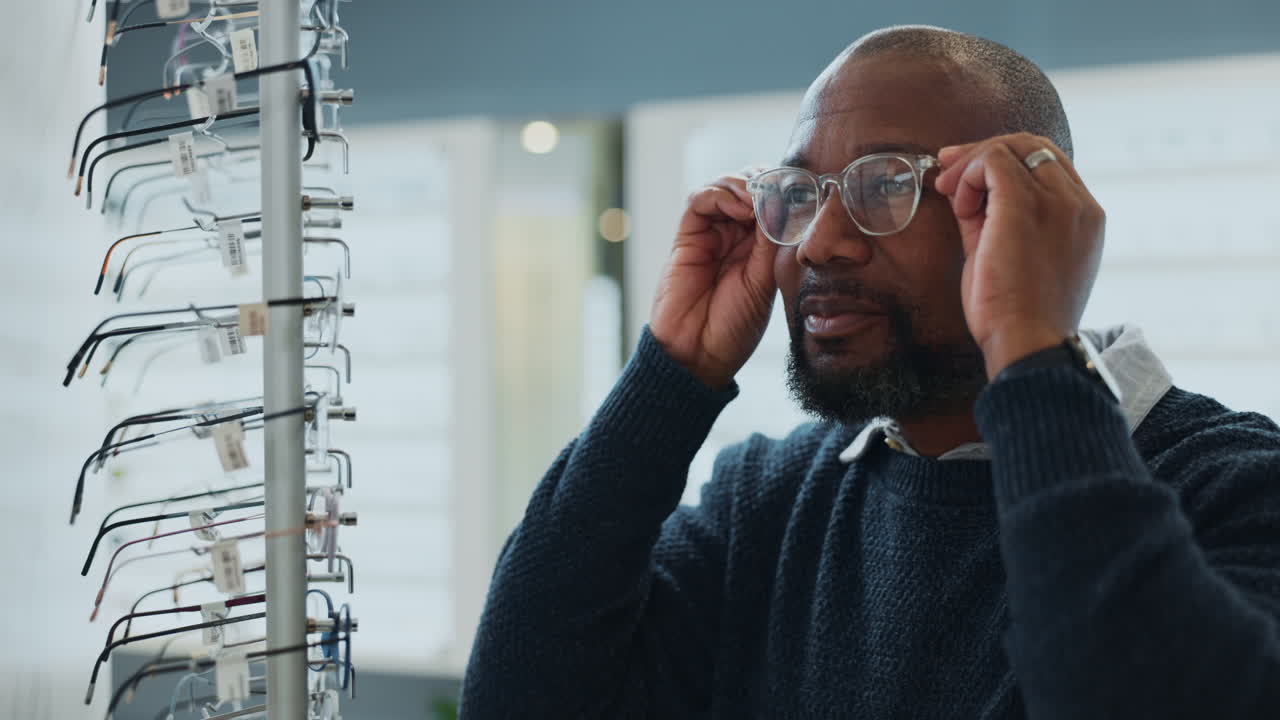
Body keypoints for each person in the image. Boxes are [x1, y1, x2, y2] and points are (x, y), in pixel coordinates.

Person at [459, 25, 1280, 719]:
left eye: (885, 185)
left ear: (1032, 214)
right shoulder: (766, 502)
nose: (818, 243)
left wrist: (1032, 342)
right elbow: (520, 696)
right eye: (801, 195)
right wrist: (671, 374)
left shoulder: (1235, 485)